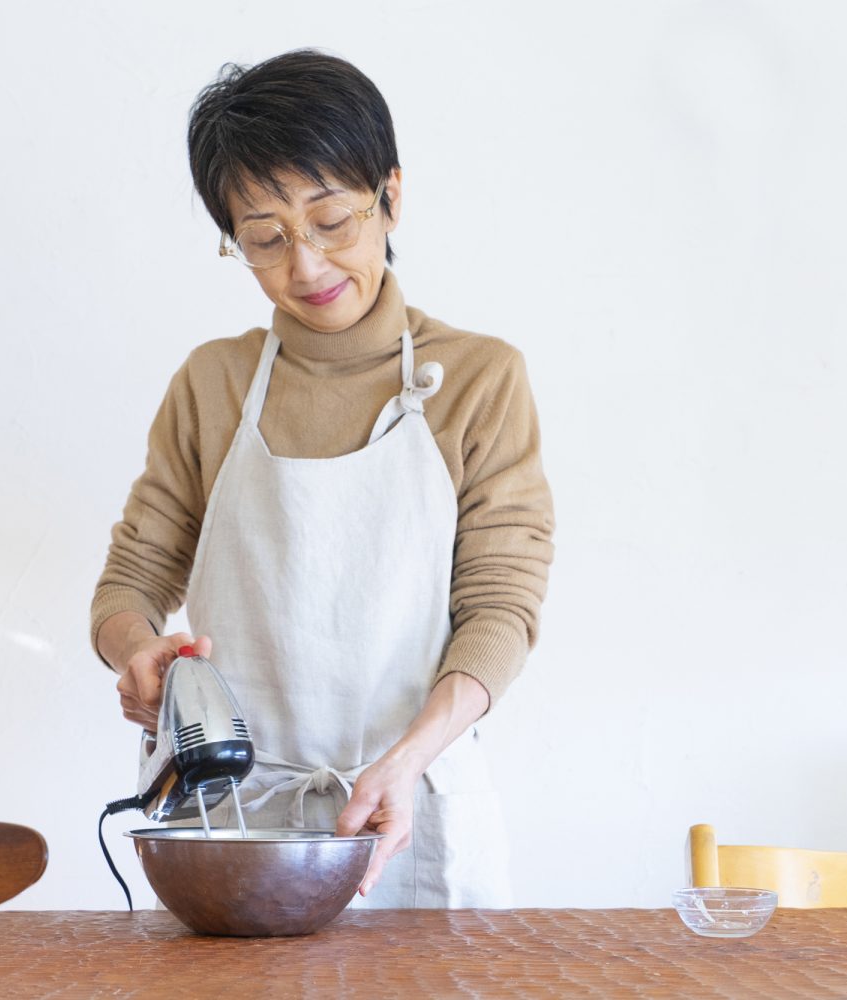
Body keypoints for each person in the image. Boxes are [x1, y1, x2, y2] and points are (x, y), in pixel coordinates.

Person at [91, 50, 554, 907]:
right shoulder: (213, 383)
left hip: (415, 809)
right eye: (264, 238)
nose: (304, 266)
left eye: (332, 220)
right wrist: (137, 652)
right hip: (238, 825)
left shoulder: (480, 379)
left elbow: (502, 610)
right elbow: (132, 580)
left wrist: (407, 758)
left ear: (391, 198)